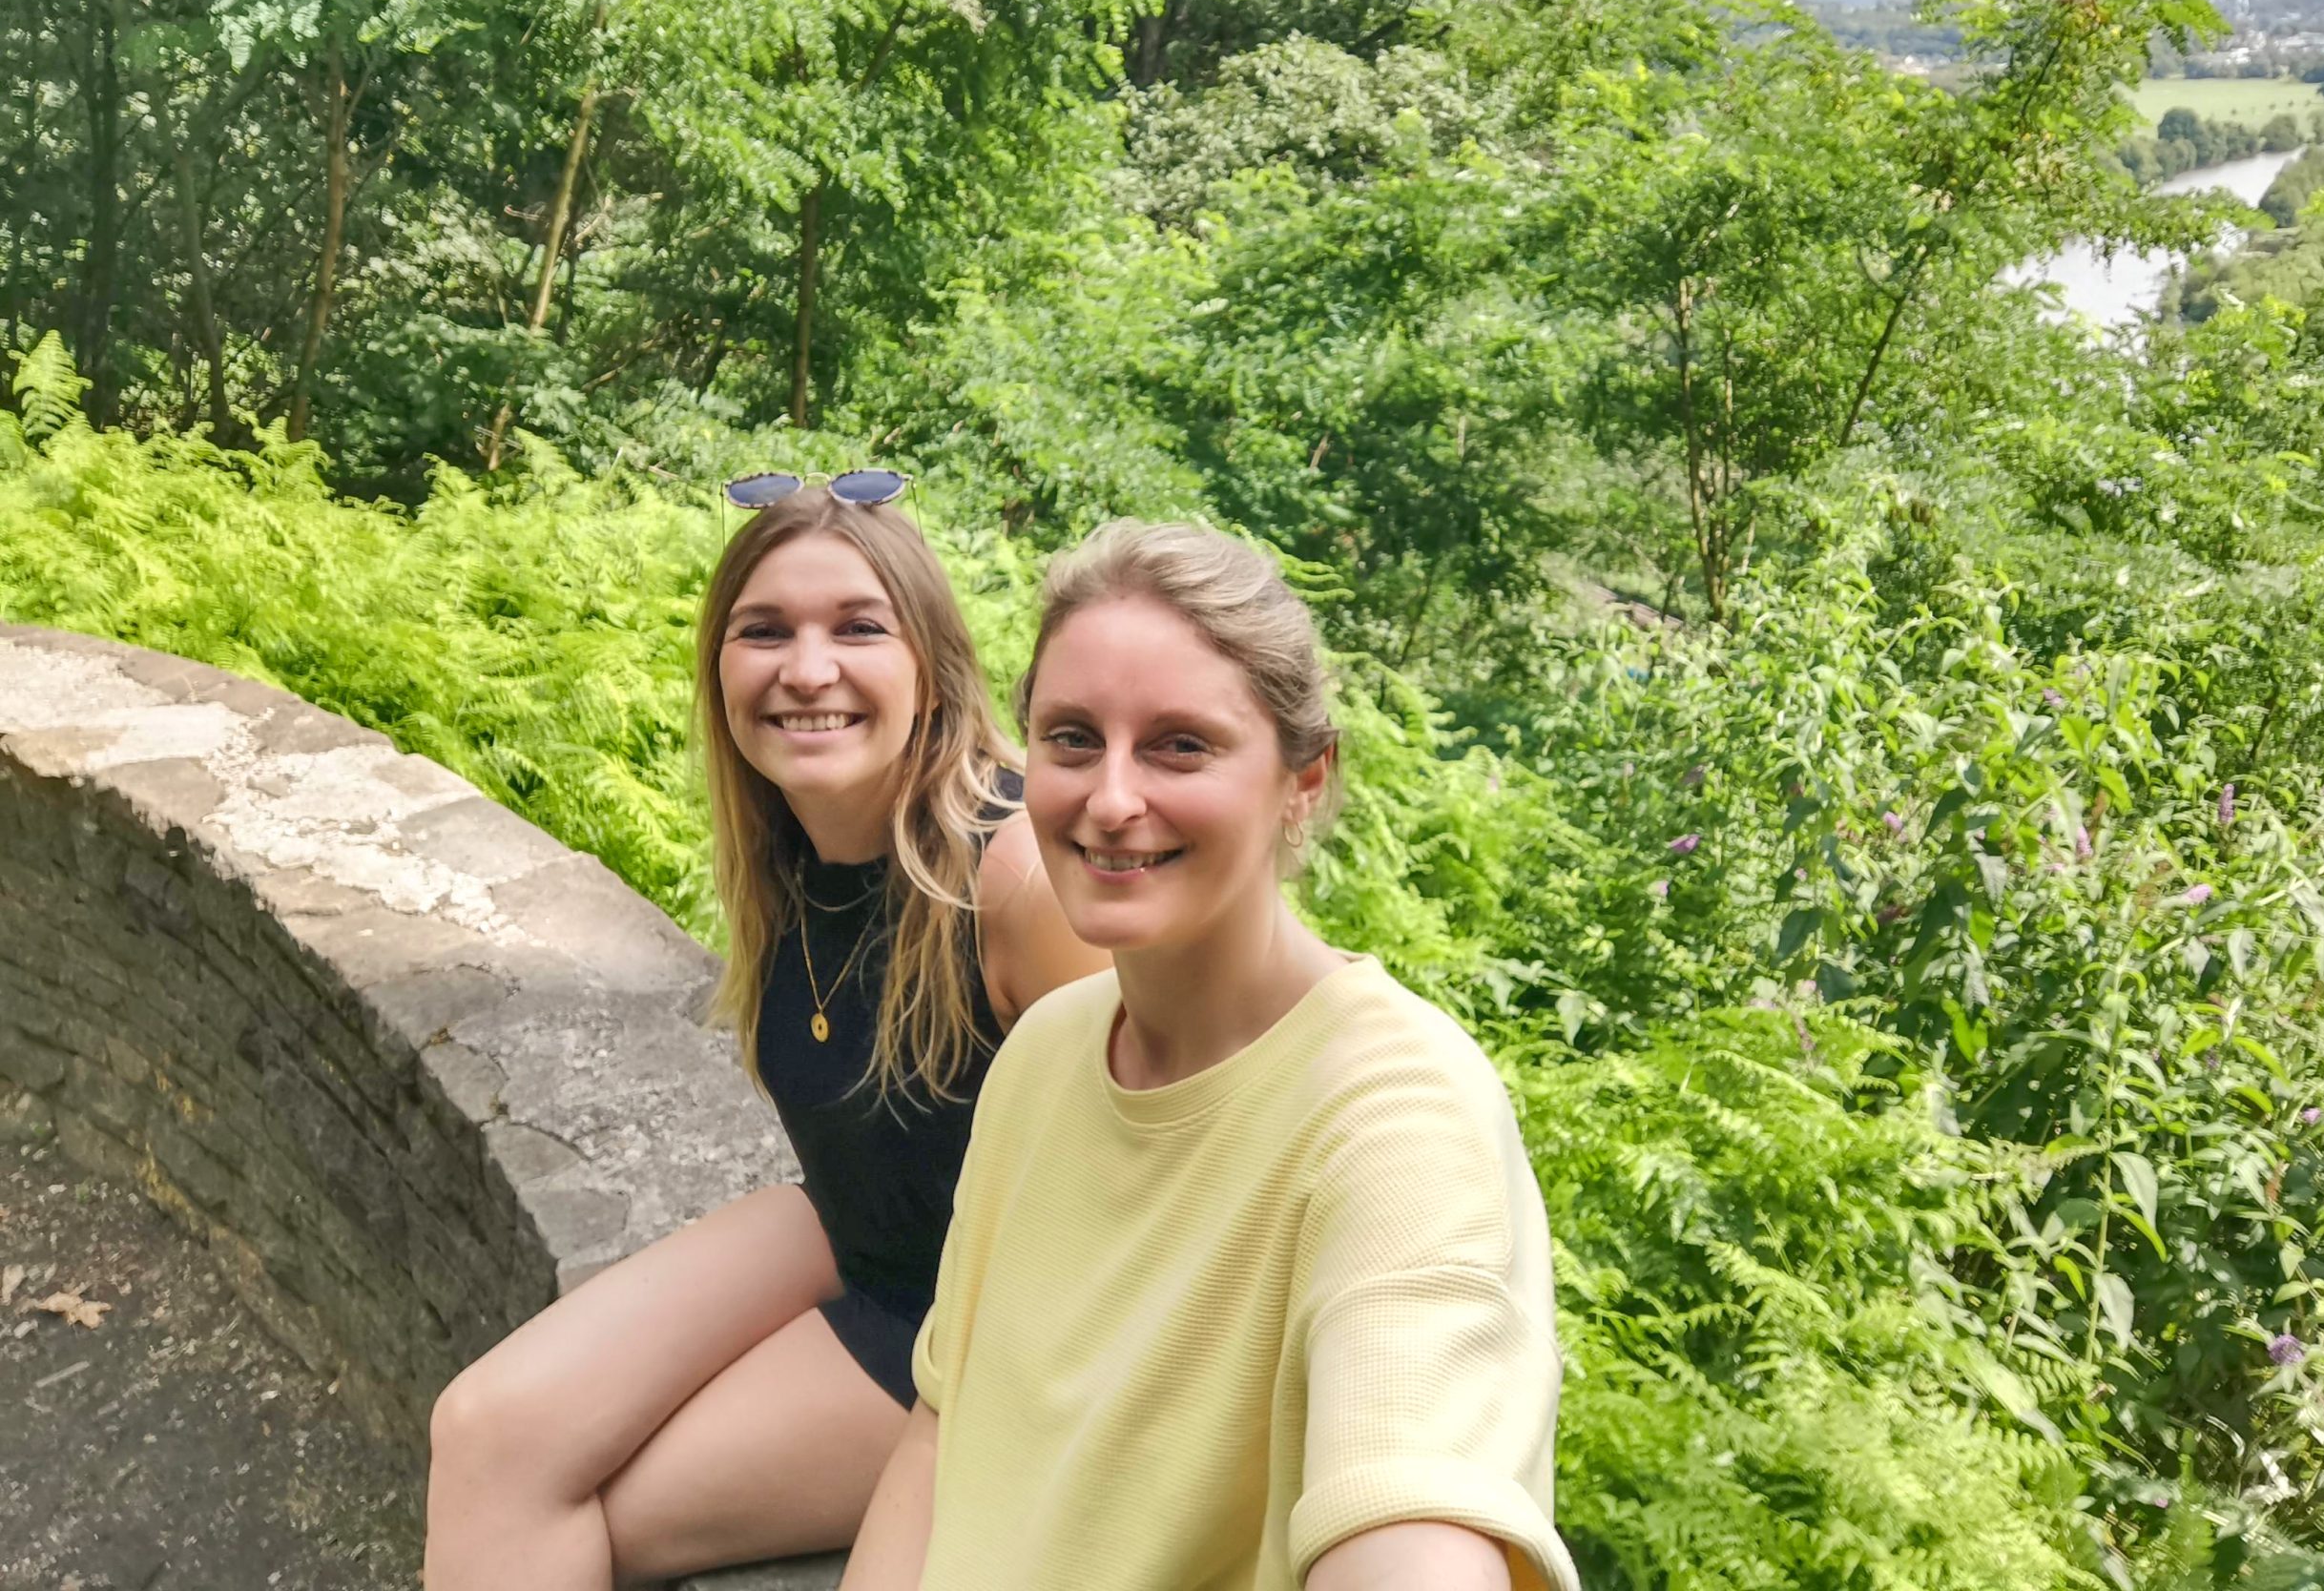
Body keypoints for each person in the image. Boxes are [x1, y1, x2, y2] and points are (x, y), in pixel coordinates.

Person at [843, 521, 1577, 1591]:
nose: (1110, 799)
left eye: (1179, 744)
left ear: (1303, 781)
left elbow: (1409, 1512)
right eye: (1072, 738)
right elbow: (942, 1429)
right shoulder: (1045, 1052)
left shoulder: (1397, 1116)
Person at [425, 474, 1102, 1590]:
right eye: (764, 630)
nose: (806, 668)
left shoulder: (1017, 876)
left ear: (929, 669)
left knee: (592, 1514)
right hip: (857, 1232)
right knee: (484, 1429)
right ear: (721, 671)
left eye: (857, 628)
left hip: (986, 1329)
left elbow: (1167, 1173)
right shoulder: (793, 853)